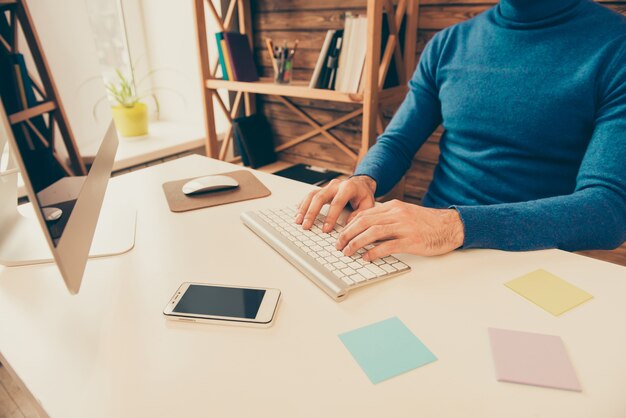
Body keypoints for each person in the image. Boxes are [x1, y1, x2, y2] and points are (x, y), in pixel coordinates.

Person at [296, 0, 626, 262]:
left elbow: (608, 209)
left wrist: (454, 226)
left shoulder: (615, 46)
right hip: (428, 247)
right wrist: (364, 179)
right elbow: (397, 142)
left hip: (533, 256)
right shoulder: (448, 44)